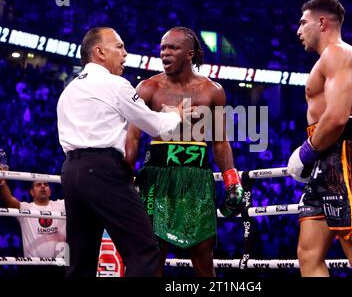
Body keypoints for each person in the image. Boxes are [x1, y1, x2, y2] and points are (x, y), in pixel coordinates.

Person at [57, 27, 191, 277]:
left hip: (71, 172)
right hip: (102, 170)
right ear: (99, 52)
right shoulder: (115, 85)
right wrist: (174, 115)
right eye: (119, 47)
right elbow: (154, 125)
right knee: (144, 250)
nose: (125, 54)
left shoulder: (69, 90)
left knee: (80, 258)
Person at [125, 26, 245, 277]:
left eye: (173, 48)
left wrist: (232, 182)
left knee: (202, 254)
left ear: (190, 54)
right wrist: (127, 177)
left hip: (196, 178)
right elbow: (133, 139)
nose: (164, 53)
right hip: (157, 177)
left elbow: (220, 142)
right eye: (162, 48)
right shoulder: (148, 88)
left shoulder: (212, 91)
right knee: (154, 252)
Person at [287, 0, 352, 277]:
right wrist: (312, 152)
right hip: (325, 156)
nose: (298, 30)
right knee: (308, 255)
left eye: (303, 22)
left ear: (322, 22)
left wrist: (306, 152)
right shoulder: (326, 60)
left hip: (346, 156)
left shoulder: (339, 53)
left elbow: (338, 117)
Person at [0, 178, 66, 277]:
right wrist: (2, 182)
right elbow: (8, 200)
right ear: (32, 192)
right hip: (34, 266)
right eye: (38, 184)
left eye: (46, 184)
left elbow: (77, 195)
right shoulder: (26, 209)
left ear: (50, 191)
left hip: (61, 264)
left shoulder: (61, 205)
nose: (43, 186)